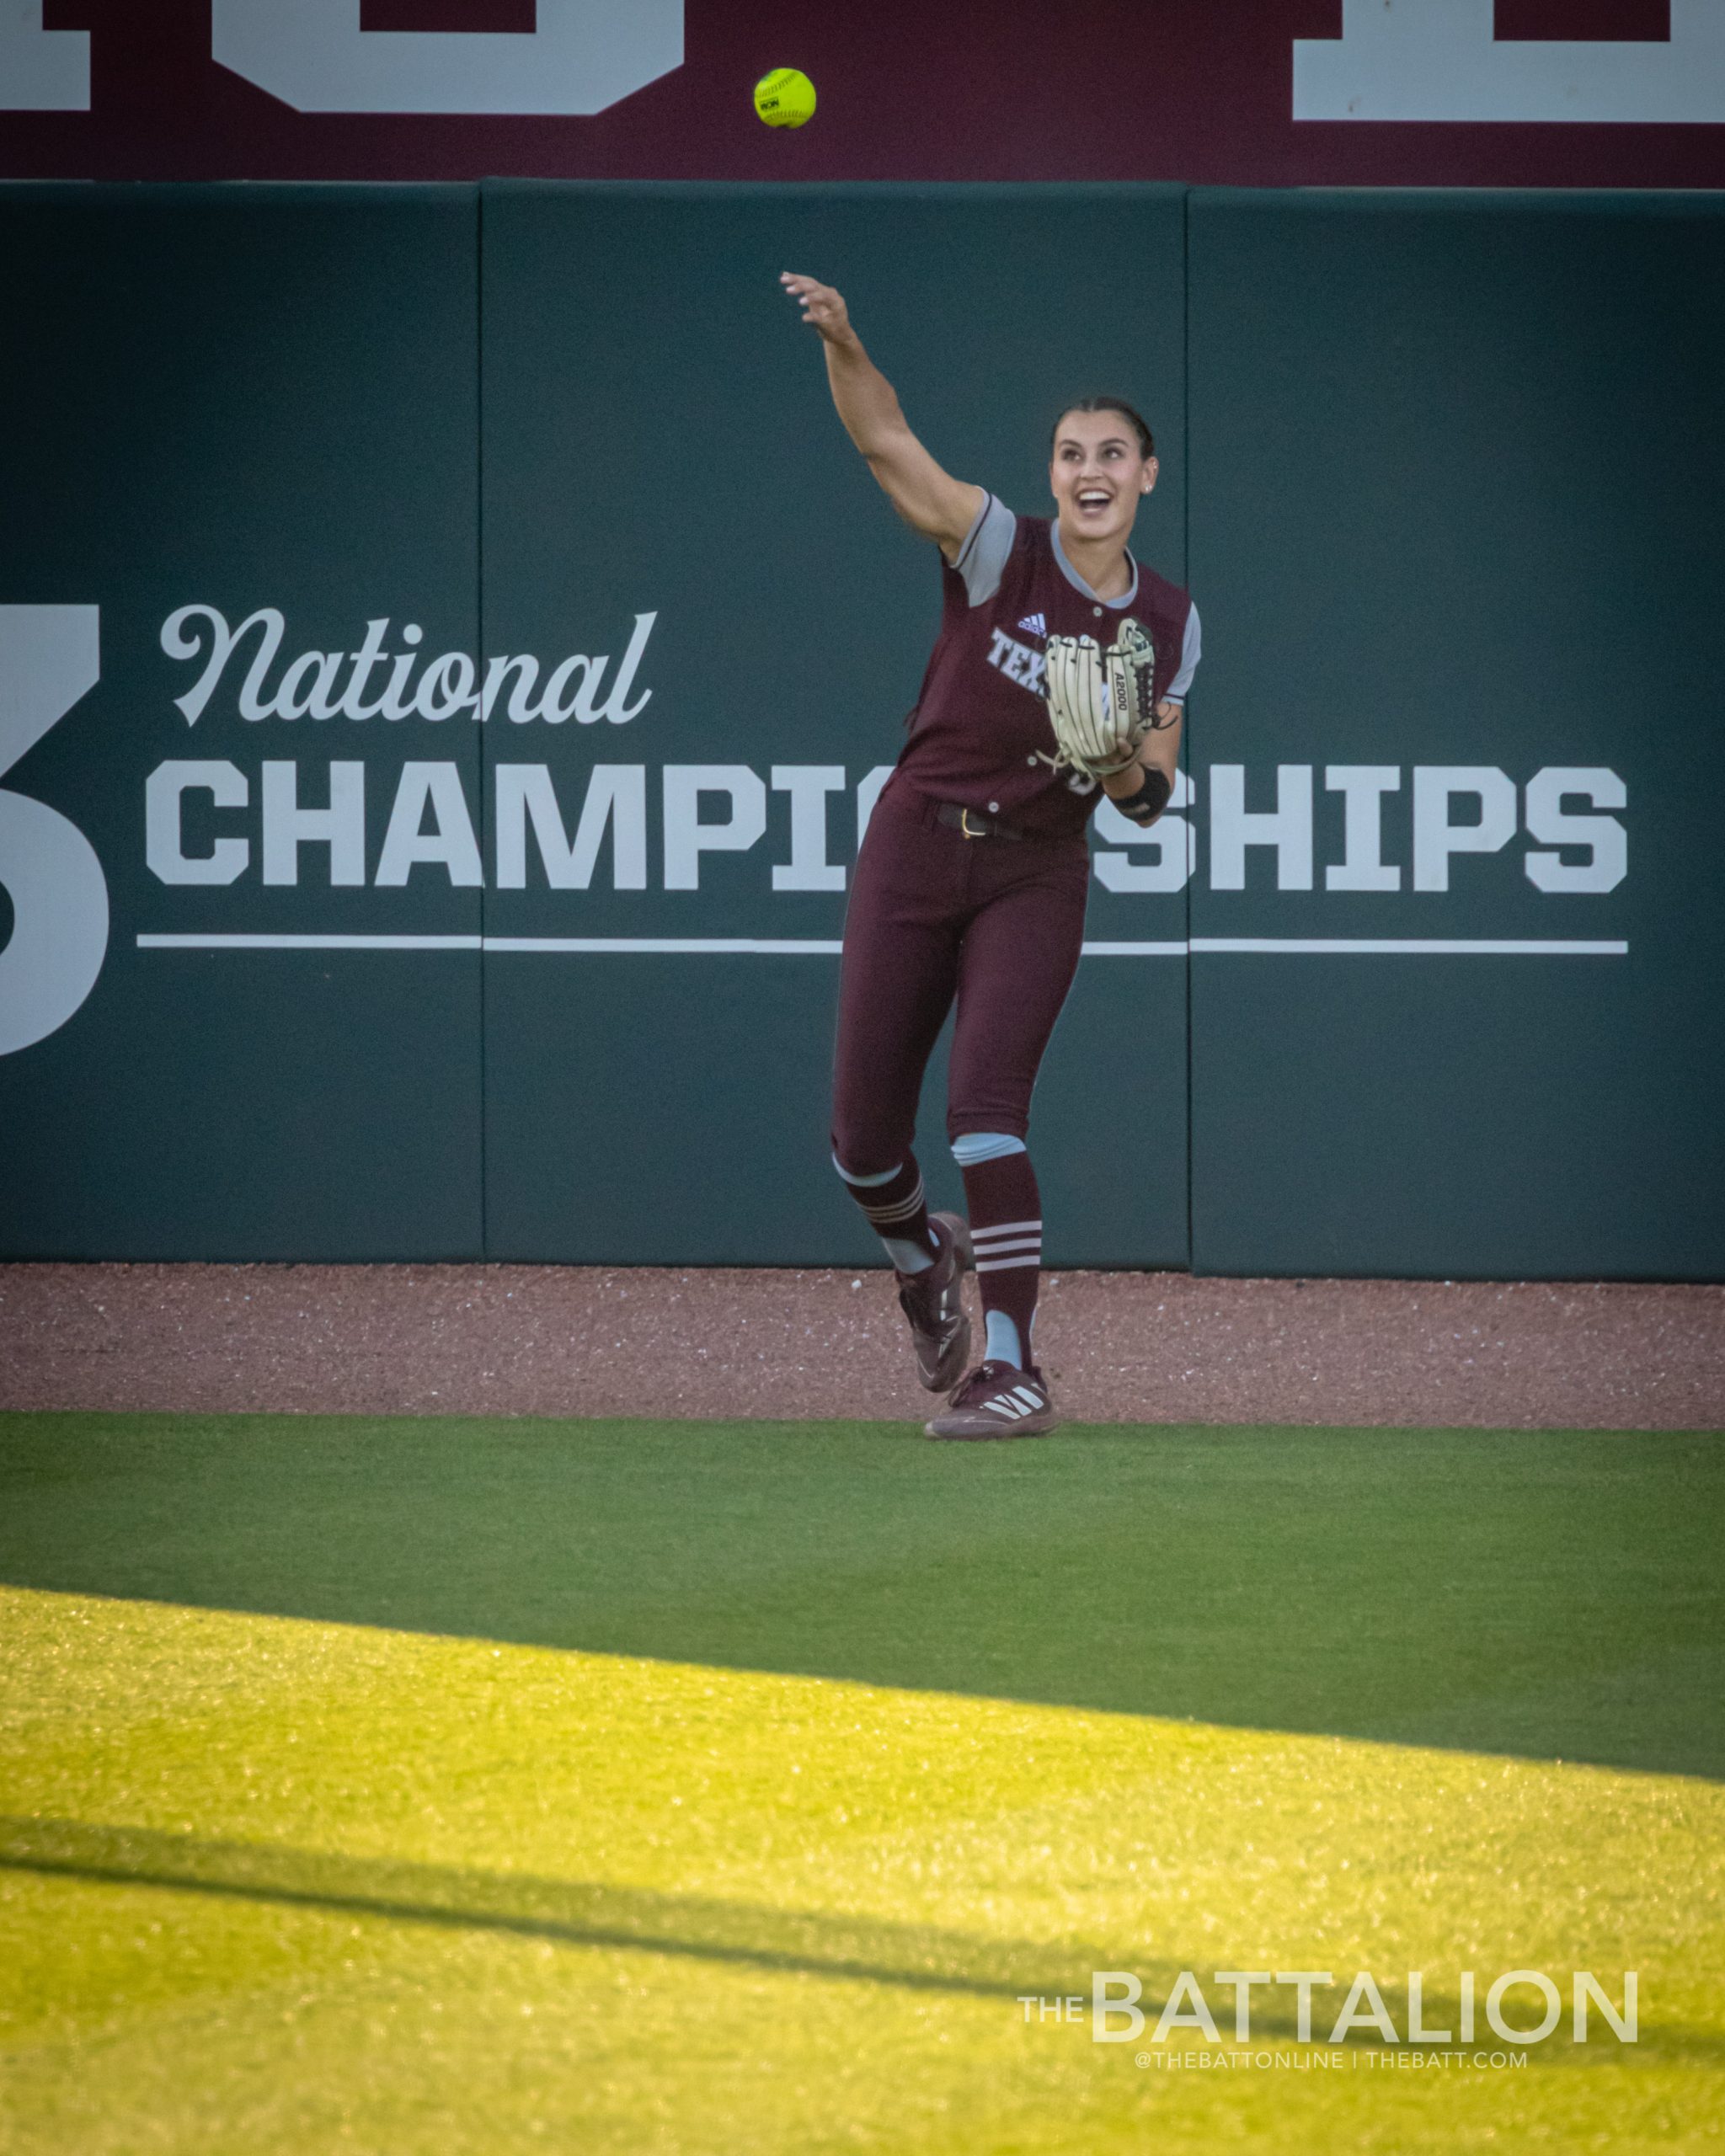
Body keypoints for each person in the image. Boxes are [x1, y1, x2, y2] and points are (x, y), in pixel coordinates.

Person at [782, 271, 1200, 1438]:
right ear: (1054, 473)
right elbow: (885, 441)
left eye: (1113, 453)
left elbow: (1152, 799)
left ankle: (1011, 1369)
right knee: (862, 1144)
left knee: (984, 1112)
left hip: (1035, 869)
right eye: (1072, 453)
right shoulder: (996, 548)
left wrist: (1117, 761)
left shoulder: (1168, 622)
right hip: (917, 843)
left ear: (1146, 475)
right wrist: (845, 340)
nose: (1092, 471)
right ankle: (925, 1260)